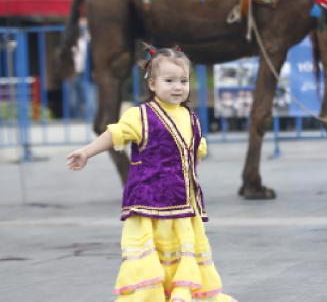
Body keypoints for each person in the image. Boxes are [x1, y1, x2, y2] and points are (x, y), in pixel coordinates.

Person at [67, 45, 236, 301]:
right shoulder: (140, 116)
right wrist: (87, 152)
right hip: (149, 206)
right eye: (169, 81)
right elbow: (115, 135)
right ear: (153, 84)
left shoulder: (191, 118)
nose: (178, 87)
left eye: (183, 80)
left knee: (182, 256)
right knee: (152, 262)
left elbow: (194, 153)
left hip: (183, 209)